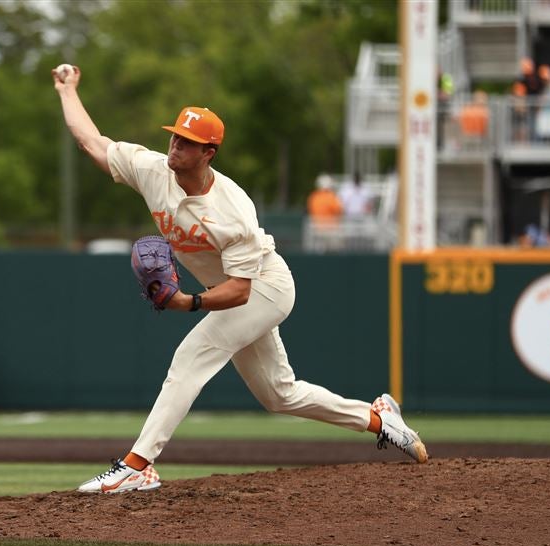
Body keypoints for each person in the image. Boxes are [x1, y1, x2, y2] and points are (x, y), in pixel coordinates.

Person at [50, 64, 428, 494]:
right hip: (233, 291)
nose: (175, 145)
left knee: (192, 355)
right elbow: (92, 141)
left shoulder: (233, 210)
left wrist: (189, 302)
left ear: (208, 153)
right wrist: (68, 90)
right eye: (174, 135)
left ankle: (138, 465)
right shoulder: (153, 170)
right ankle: (380, 419)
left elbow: (242, 290)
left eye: (188, 142)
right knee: (279, 395)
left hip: (265, 287)